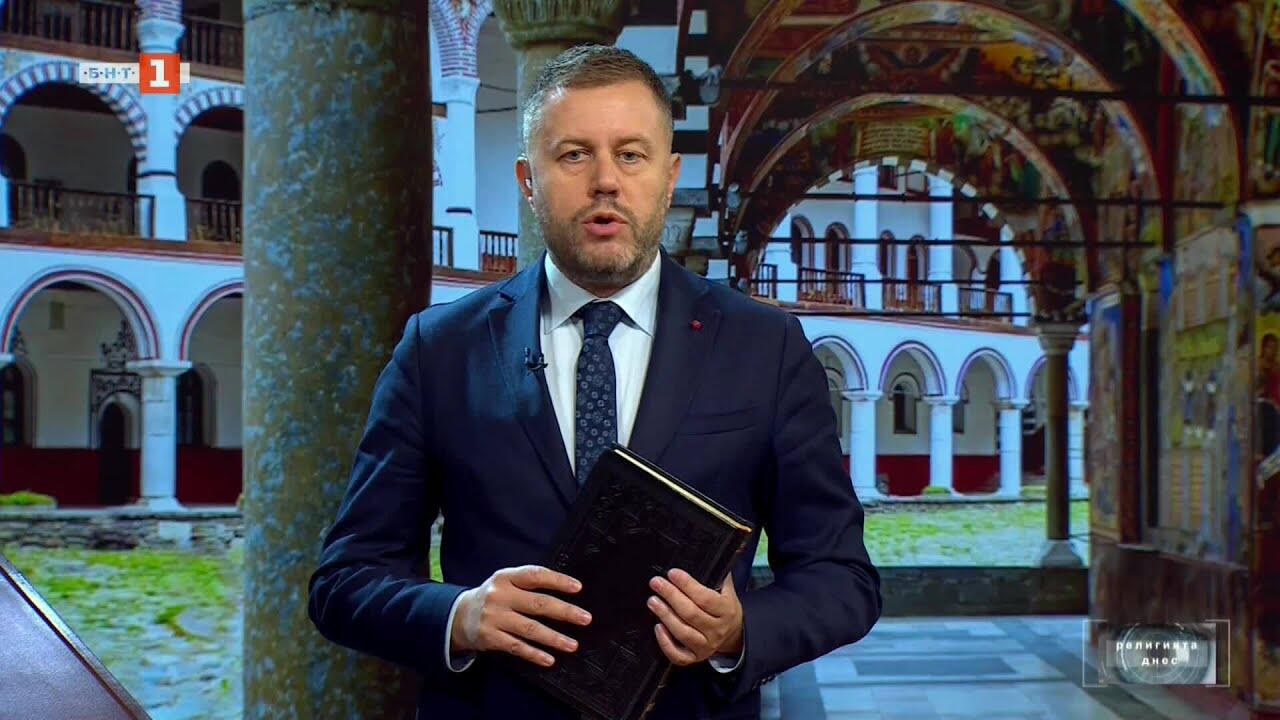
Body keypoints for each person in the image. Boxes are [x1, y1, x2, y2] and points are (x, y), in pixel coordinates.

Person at [308, 44, 882, 720]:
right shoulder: (439, 349)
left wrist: (738, 631)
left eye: (631, 155)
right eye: (574, 155)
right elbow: (345, 581)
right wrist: (461, 615)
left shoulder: (765, 347)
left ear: (668, 177)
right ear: (528, 181)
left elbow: (842, 579)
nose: (605, 181)